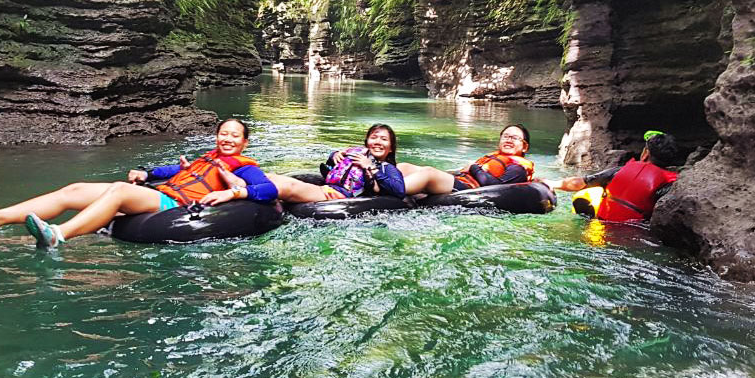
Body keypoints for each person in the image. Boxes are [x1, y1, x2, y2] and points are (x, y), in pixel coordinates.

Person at [0, 118, 277, 248]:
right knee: (76, 189)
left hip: (176, 206)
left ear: (244, 142)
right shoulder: (206, 157)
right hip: (161, 192)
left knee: (119, 191)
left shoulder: (246, 167)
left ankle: (58, 235)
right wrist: (147, 173)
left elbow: (268, 191)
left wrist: (232, 192)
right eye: (224, 133)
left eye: (235, 135)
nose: (228, 138)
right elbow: (171, 171)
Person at [550, 130, 681, 222]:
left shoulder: (621, 170)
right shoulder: (671, 183)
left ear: (646, 154)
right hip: (637, 233)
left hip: (601, 227)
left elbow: (580, 183)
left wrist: (550, 183)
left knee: (591, 192)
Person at [267, 123, 405, 202]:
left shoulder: (387, 168)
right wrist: (334, 156)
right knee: (272, 176)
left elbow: (399, 191)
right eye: (374, 137)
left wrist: (370, 166)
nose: (378, 142)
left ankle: (249, 192)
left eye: (384, 139)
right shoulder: (356, 155)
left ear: (391, 148)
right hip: (328, 188)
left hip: (338, 195)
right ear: (367, 142)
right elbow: (330, 170)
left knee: (289, 188)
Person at [397, 124, 535, 195]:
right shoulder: (495, 157)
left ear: (524, 147)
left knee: (428, 173)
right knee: (405, 167)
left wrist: (473, 167)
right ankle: (379, 182)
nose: (509, 140)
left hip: (469, 189)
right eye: (505, 136)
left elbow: (494, 186)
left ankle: (389, 189)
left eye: (515, 138)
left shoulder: (518, 168)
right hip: (461, 181)